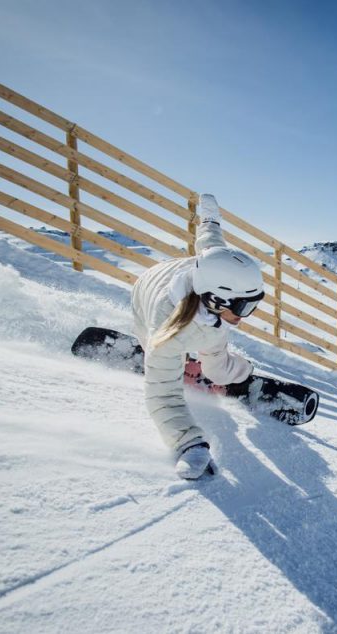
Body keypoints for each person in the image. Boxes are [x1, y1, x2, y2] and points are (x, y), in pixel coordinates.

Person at [130, 194, 265, 480]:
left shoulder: (216, 265)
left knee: (216, 366)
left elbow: (209, 238)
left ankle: (236, 369)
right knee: (161, 353)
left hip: (199, 308)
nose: (247, 314)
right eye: (244, 305)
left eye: (254, 304)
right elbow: (162, 396)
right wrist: (189, 444)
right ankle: (175, 365)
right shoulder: (166, 330)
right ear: (216, 299)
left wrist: (209, 217)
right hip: (147, 291)